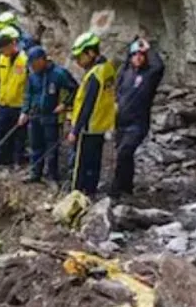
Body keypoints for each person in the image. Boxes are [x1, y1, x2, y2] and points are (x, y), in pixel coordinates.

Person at [111, 38, 165, 199]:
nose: (138, 57)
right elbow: (117, 91)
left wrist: (148, 49)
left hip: (138, 124)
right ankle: (127, 188)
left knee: (124, 152)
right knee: (124, 156)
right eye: (135, 54)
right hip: (121, 122)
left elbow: (159, 66)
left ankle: (115, 189)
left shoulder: (149, 75)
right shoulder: (125, 72)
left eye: (141, 54)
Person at [68, 32, 118, 197]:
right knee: (94, 162)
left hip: (88, 127)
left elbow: (87, 104)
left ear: (90, 53)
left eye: (79, 57)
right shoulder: (108, 68)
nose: (78, 62)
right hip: (101, 125)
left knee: (80, 164)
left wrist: (75, 130)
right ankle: (90, 192)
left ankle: (75, 195)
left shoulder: (94, 75)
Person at [20, 46, 78, 184]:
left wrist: (64, 103)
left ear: (41, 60)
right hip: (35, 115)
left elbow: (75, 89)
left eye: (34, 64)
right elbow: (28, 94)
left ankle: (52, 176)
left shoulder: (58, 73)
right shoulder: (32, 75)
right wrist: (24, 111)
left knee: (51, 147)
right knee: (35, 146)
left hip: (52, 116)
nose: (32, 67)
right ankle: (35, 173)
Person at [0, 27, 29, 169]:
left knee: (18, 135)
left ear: (12, 45)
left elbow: (28, 87)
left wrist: (25, 110)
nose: (3, 53)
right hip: (3, 102)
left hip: (18, 104)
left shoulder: (24, 60)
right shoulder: (2, 58)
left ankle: (17, 161)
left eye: (4, 49)